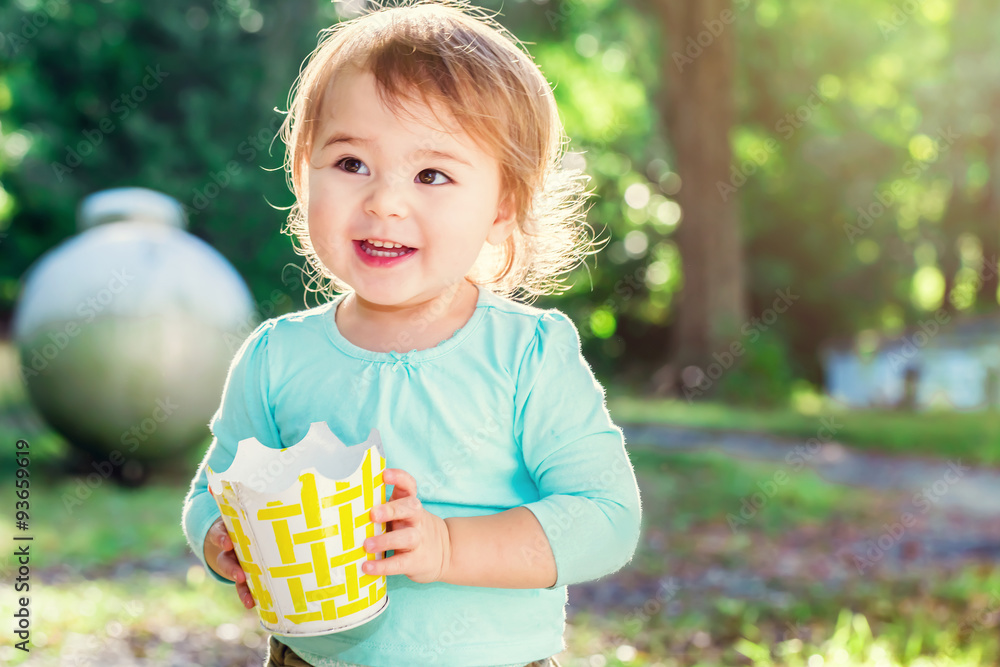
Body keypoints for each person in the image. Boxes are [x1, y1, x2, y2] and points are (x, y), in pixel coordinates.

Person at [180, 1, 643, 665]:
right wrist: (222, 541)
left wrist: (449, 545)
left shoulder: (527, 353)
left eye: (432, 174)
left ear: (502, 206)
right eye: (350, 163)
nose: (384, 201)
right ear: (303, 172)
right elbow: (213, 490)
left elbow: (605, 517)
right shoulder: (277, 356)